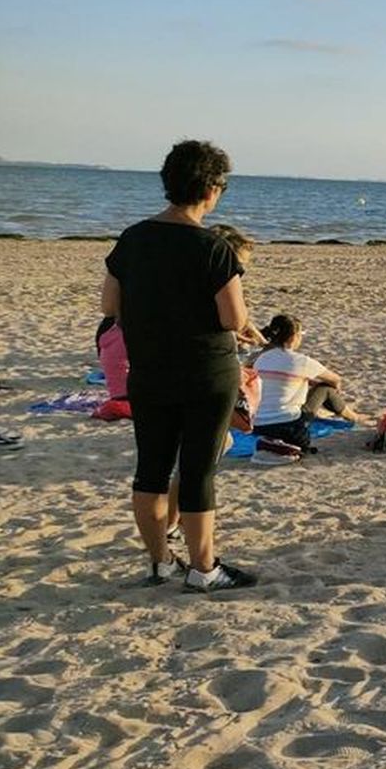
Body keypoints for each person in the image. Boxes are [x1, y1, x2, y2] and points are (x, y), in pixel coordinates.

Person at [102, 139, 257, 591]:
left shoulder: (133, 239)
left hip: (150, 369)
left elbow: (110, 305)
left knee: (150, 470)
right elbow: (233, 319)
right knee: (197, 472)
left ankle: (159, 562)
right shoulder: (213, 247)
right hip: (206, 371)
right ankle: (203, 569)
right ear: (211, 189)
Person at [248, 314, 363, 449]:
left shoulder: (261, 359)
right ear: (294, 337)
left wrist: (304, 381)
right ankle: (354, 417)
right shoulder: (300, 361)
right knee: (325, 389)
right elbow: (335, 379)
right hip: (289, 428)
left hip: (258, 425)